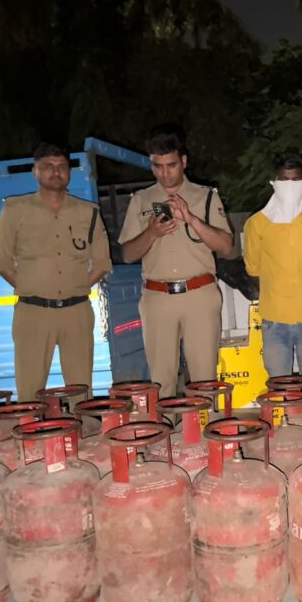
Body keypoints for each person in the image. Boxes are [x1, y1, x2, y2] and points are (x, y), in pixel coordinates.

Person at [118, 124, 234, 398]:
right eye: (157, 166)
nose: (164, 173)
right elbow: (128, 254)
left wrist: (192, 219)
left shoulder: (206, 197)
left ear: (183, 161)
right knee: (161, 382)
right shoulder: (141, 200)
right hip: (157, 297)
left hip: (199, 295)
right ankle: (166, 425)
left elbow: (226, 247)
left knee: (204, 380)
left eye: (171, 165)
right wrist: (151, 233)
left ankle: (205, 426)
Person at [0, 142, 112, 400]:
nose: (55, 171)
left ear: (69, 172)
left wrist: (77, 288)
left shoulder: (88, 212)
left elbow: (102, 263)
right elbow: (2, 261)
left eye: (61, 166)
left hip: (77, 312)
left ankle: (83, 426)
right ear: (35, 171)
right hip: (33, 312)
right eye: (47, 166)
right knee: (30, 392)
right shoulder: (15, 210)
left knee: (81, 391)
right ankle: (30, 427)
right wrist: (32, 288)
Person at [243, 154, 302, 411]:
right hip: (274, 319)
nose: (290, 186)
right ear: (274, 182)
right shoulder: (256, 224)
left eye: (296, 180)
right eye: (284, 180)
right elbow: (253, 269)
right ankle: (283, 432)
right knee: (278, 387)